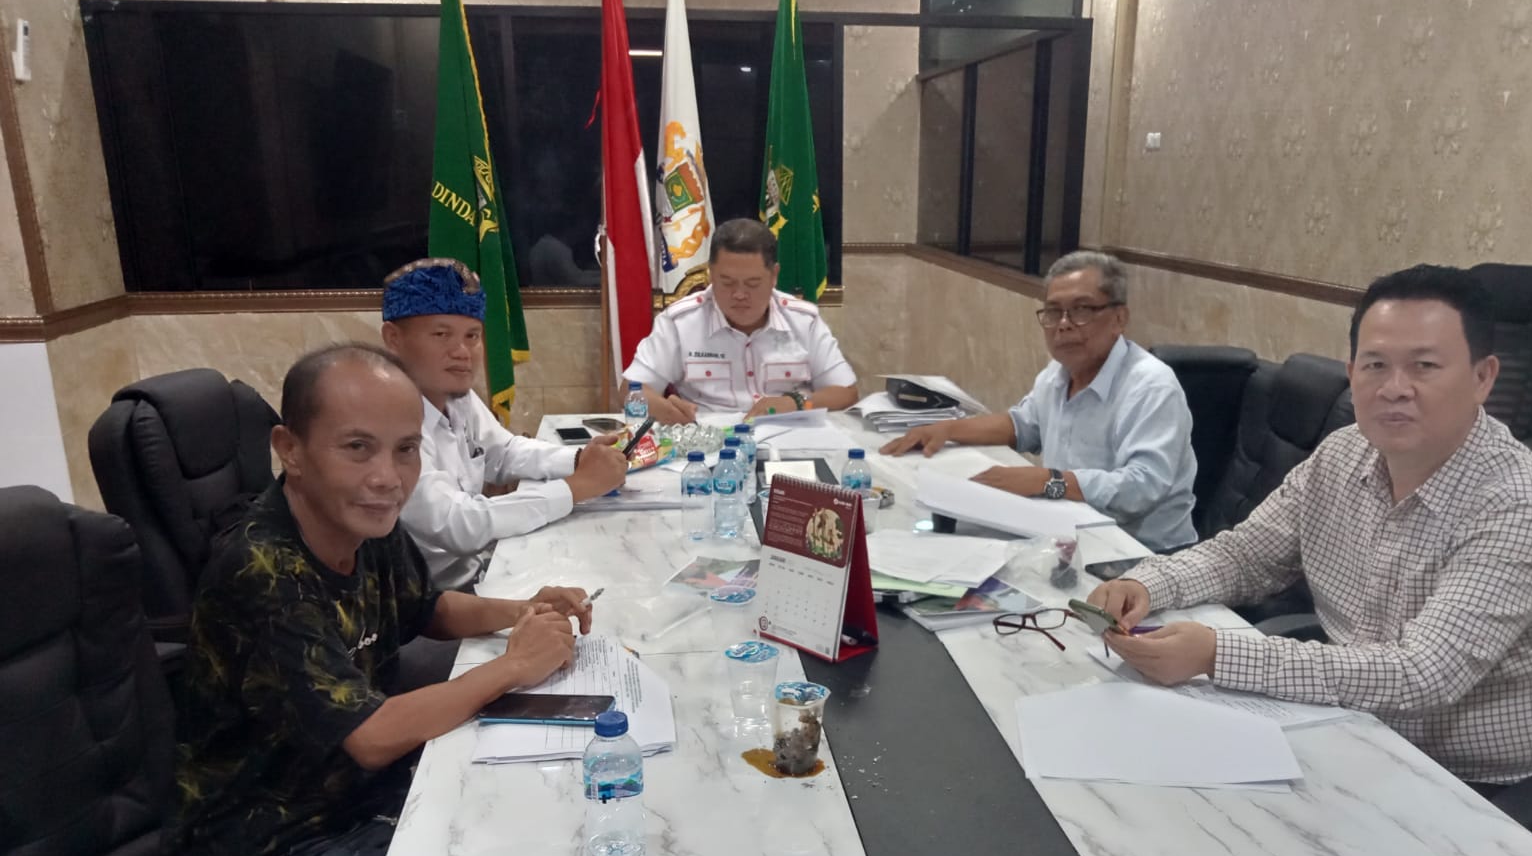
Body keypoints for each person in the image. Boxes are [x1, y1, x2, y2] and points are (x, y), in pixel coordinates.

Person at [162, 344, 593, 856]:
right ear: (290, 450)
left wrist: (520, 608)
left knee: (538, 834)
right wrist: (512, 666)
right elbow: (370, 736)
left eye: (406, 449)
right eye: (358, 448)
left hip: (356, 804)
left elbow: (426, 608)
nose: (388, 477)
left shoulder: (367, 523)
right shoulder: (262, 572)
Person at [1088, 264, 1532, 787]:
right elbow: (1245, 556)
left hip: (1487, 784)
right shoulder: (1342, 454)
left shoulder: (1521, 505)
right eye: (1375, 365)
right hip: (1357, 728)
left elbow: (1423, 674)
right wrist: (1146, 583)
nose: (1395, 389)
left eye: (1424, 366)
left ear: (1482, 378)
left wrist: (1217, 654)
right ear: (1352, 373)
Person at [882, 251, 1198, 551]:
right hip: (1069, 536)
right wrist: (947, 430)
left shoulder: (1151, 386)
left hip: (1143, 554)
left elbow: (1141, 488)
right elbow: (1022, 425)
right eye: (1053, 312)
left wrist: (1049, 481)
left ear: (1119, 318)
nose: (1063, 324)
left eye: (1081, 310)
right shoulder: (1057, 374)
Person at [381, 258, 627, 590]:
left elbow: (503, 451)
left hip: (480, 572)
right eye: (441, 334)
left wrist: (579, 459)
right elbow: (459, 525)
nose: (462, 352)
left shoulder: (455, 396)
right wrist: (576, 487)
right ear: (393, 338)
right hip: (432, 603)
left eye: (472, 335)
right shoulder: (385, 420)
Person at [621, 217, 859, 422]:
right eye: (727, 283)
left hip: (790, 442)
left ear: (774, 276)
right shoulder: (680, 322)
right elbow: (629, 391)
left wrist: (796, 403)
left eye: (752, 283)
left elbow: (846, 393)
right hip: (709, 446)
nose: (739, 294)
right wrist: (664, 410)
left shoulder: (803, 320)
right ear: (711, 274)